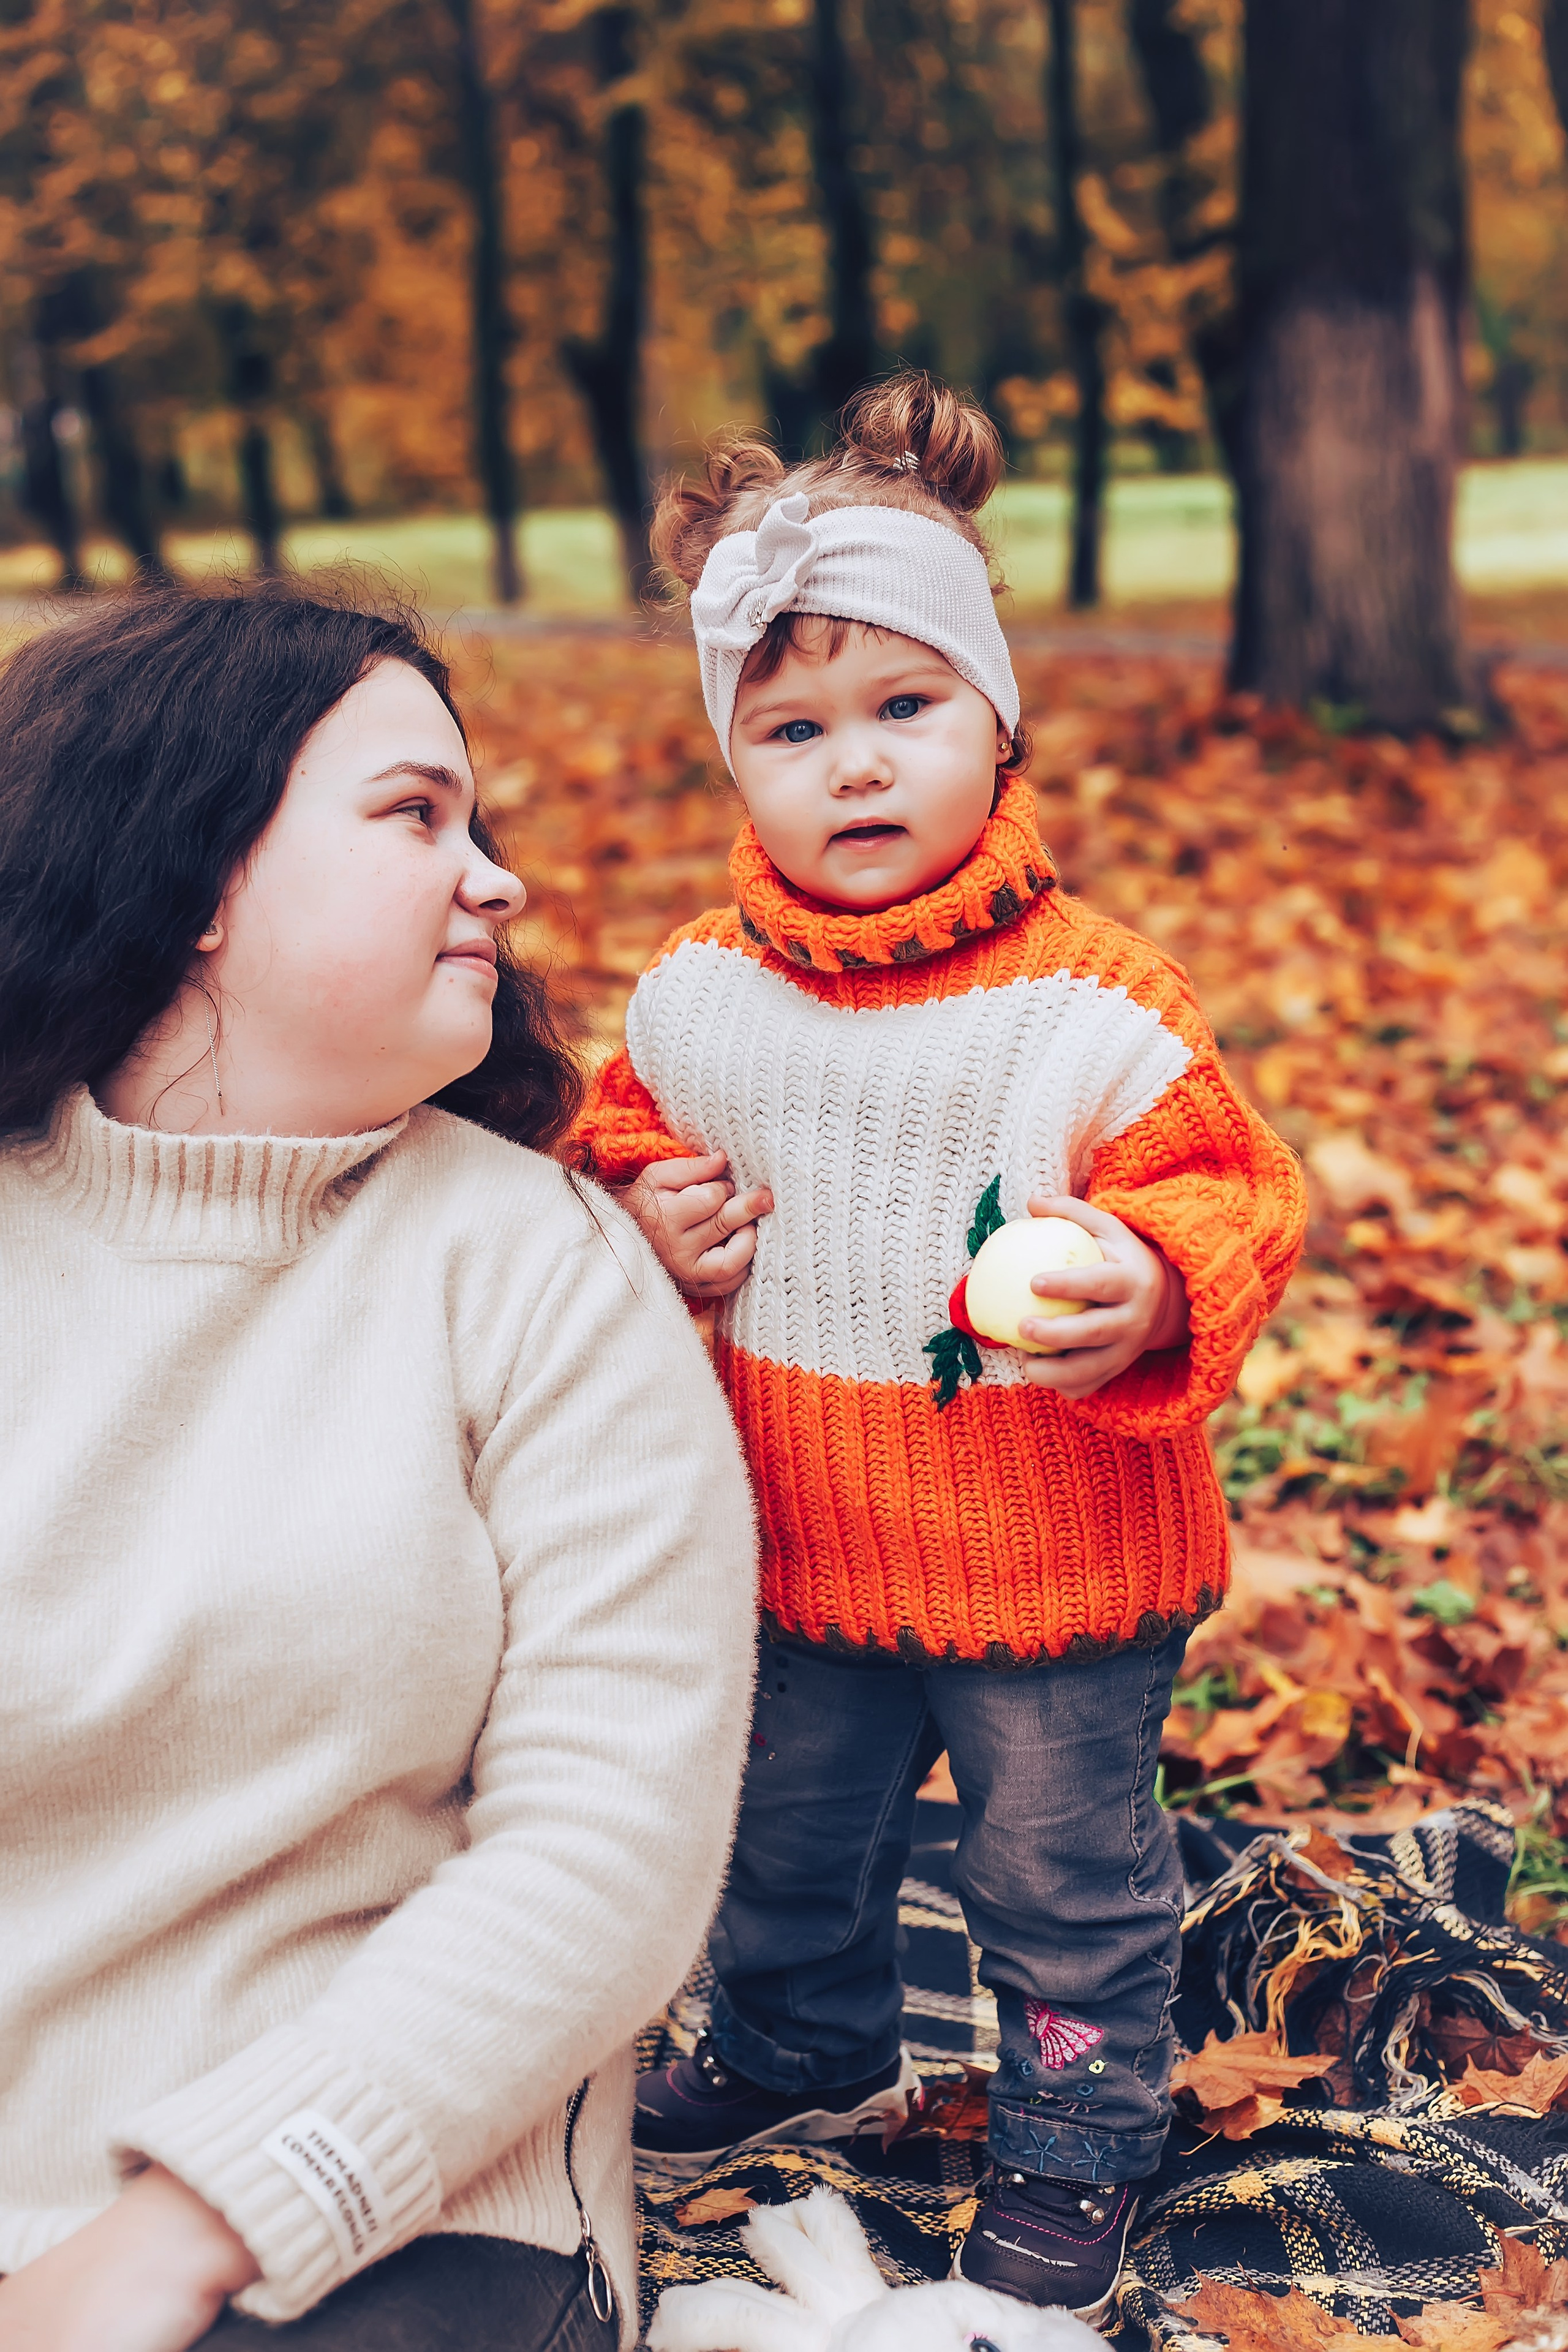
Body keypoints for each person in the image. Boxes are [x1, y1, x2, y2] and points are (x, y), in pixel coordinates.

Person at [570, 374, 1308, 2326]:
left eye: (906, 711)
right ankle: (805, 2039)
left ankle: (1076, 2131)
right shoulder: (700, 995)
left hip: (1051, 1556)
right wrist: (643, 1220)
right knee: (781, 1838)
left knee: (1060, 1881)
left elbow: (1232, 1191)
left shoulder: (1091, 1005)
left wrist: (1142, 1278)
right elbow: (618, 1140)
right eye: (793, 730)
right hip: (798, 1544)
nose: (856, 769)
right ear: (735, 762)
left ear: (1001, 719)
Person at [0, 585, 756, 2352]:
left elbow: (608, 1849)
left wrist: (182, 2234)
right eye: (418, 816)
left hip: (389, 2209)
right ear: (190, 878)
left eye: (475, 824)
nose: (498, 878)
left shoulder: (539, 1269)